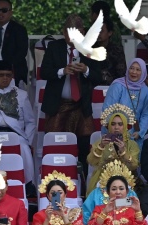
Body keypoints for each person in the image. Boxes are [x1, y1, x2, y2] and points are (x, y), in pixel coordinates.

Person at [40, 14, 102, 173]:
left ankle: (84, 182)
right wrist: (63, 70)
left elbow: (99, 76)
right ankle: (52, 177)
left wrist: (85, 70)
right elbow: (44, 73)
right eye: (68, 32)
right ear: (63, 32)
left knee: (84, 146)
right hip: (58, 105)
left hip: (81, 106)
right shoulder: (55, 47)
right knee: (55, 144)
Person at [87, 104, 140, 195]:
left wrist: (123, 152)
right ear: (108, 126)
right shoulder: (100, 143)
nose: (116, 127)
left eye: (120, 124)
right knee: (102, 206)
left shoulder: (132, 145)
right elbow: (91, 162)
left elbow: (134, 166)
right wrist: (101, 147)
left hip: (125, 181)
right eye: (113, 124)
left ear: (125, 126)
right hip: (102, 180)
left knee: (123, 206)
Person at [102, 58, 148, 146]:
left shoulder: (145, 89)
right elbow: (107, 109)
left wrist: (140, 132)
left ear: (143, 72)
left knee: (132, 158)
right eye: (131, 68)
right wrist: (112, 131)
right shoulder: (117, 85)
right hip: (115, 130)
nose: (134, 72)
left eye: (138, 69)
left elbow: (146, 114)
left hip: (135, 133)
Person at [96, 16, 127, 86]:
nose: (98, 33)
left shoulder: (117, 50)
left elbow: (122, 74)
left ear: (109, 33)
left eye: (101, 31)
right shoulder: (90, 48)